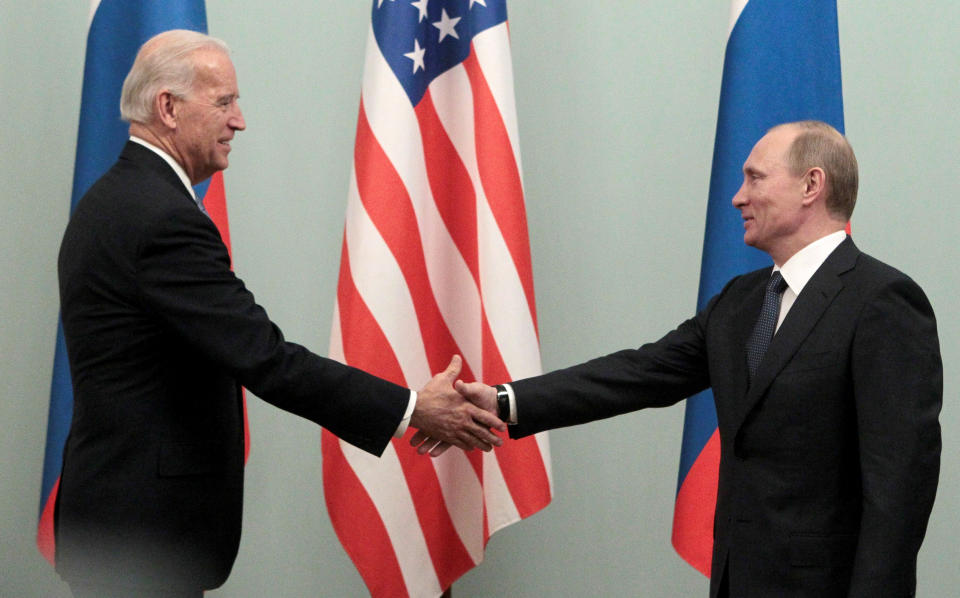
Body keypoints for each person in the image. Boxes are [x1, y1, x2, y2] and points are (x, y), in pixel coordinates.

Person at [55, 29, 504, 598]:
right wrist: (412, 408)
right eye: (224, 102)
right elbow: (265, 358)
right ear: (167, 107)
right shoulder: (160, 220)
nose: (239, 121)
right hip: (142, 541)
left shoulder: (114, 200)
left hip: (122, 528)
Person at [444, 121, 942, 597]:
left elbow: (898, 489)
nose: (738, 197)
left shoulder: (882, 301)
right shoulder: (742, 302)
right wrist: (505, 399)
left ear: (812, 185)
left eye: (755, 178)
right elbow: (640, 373)